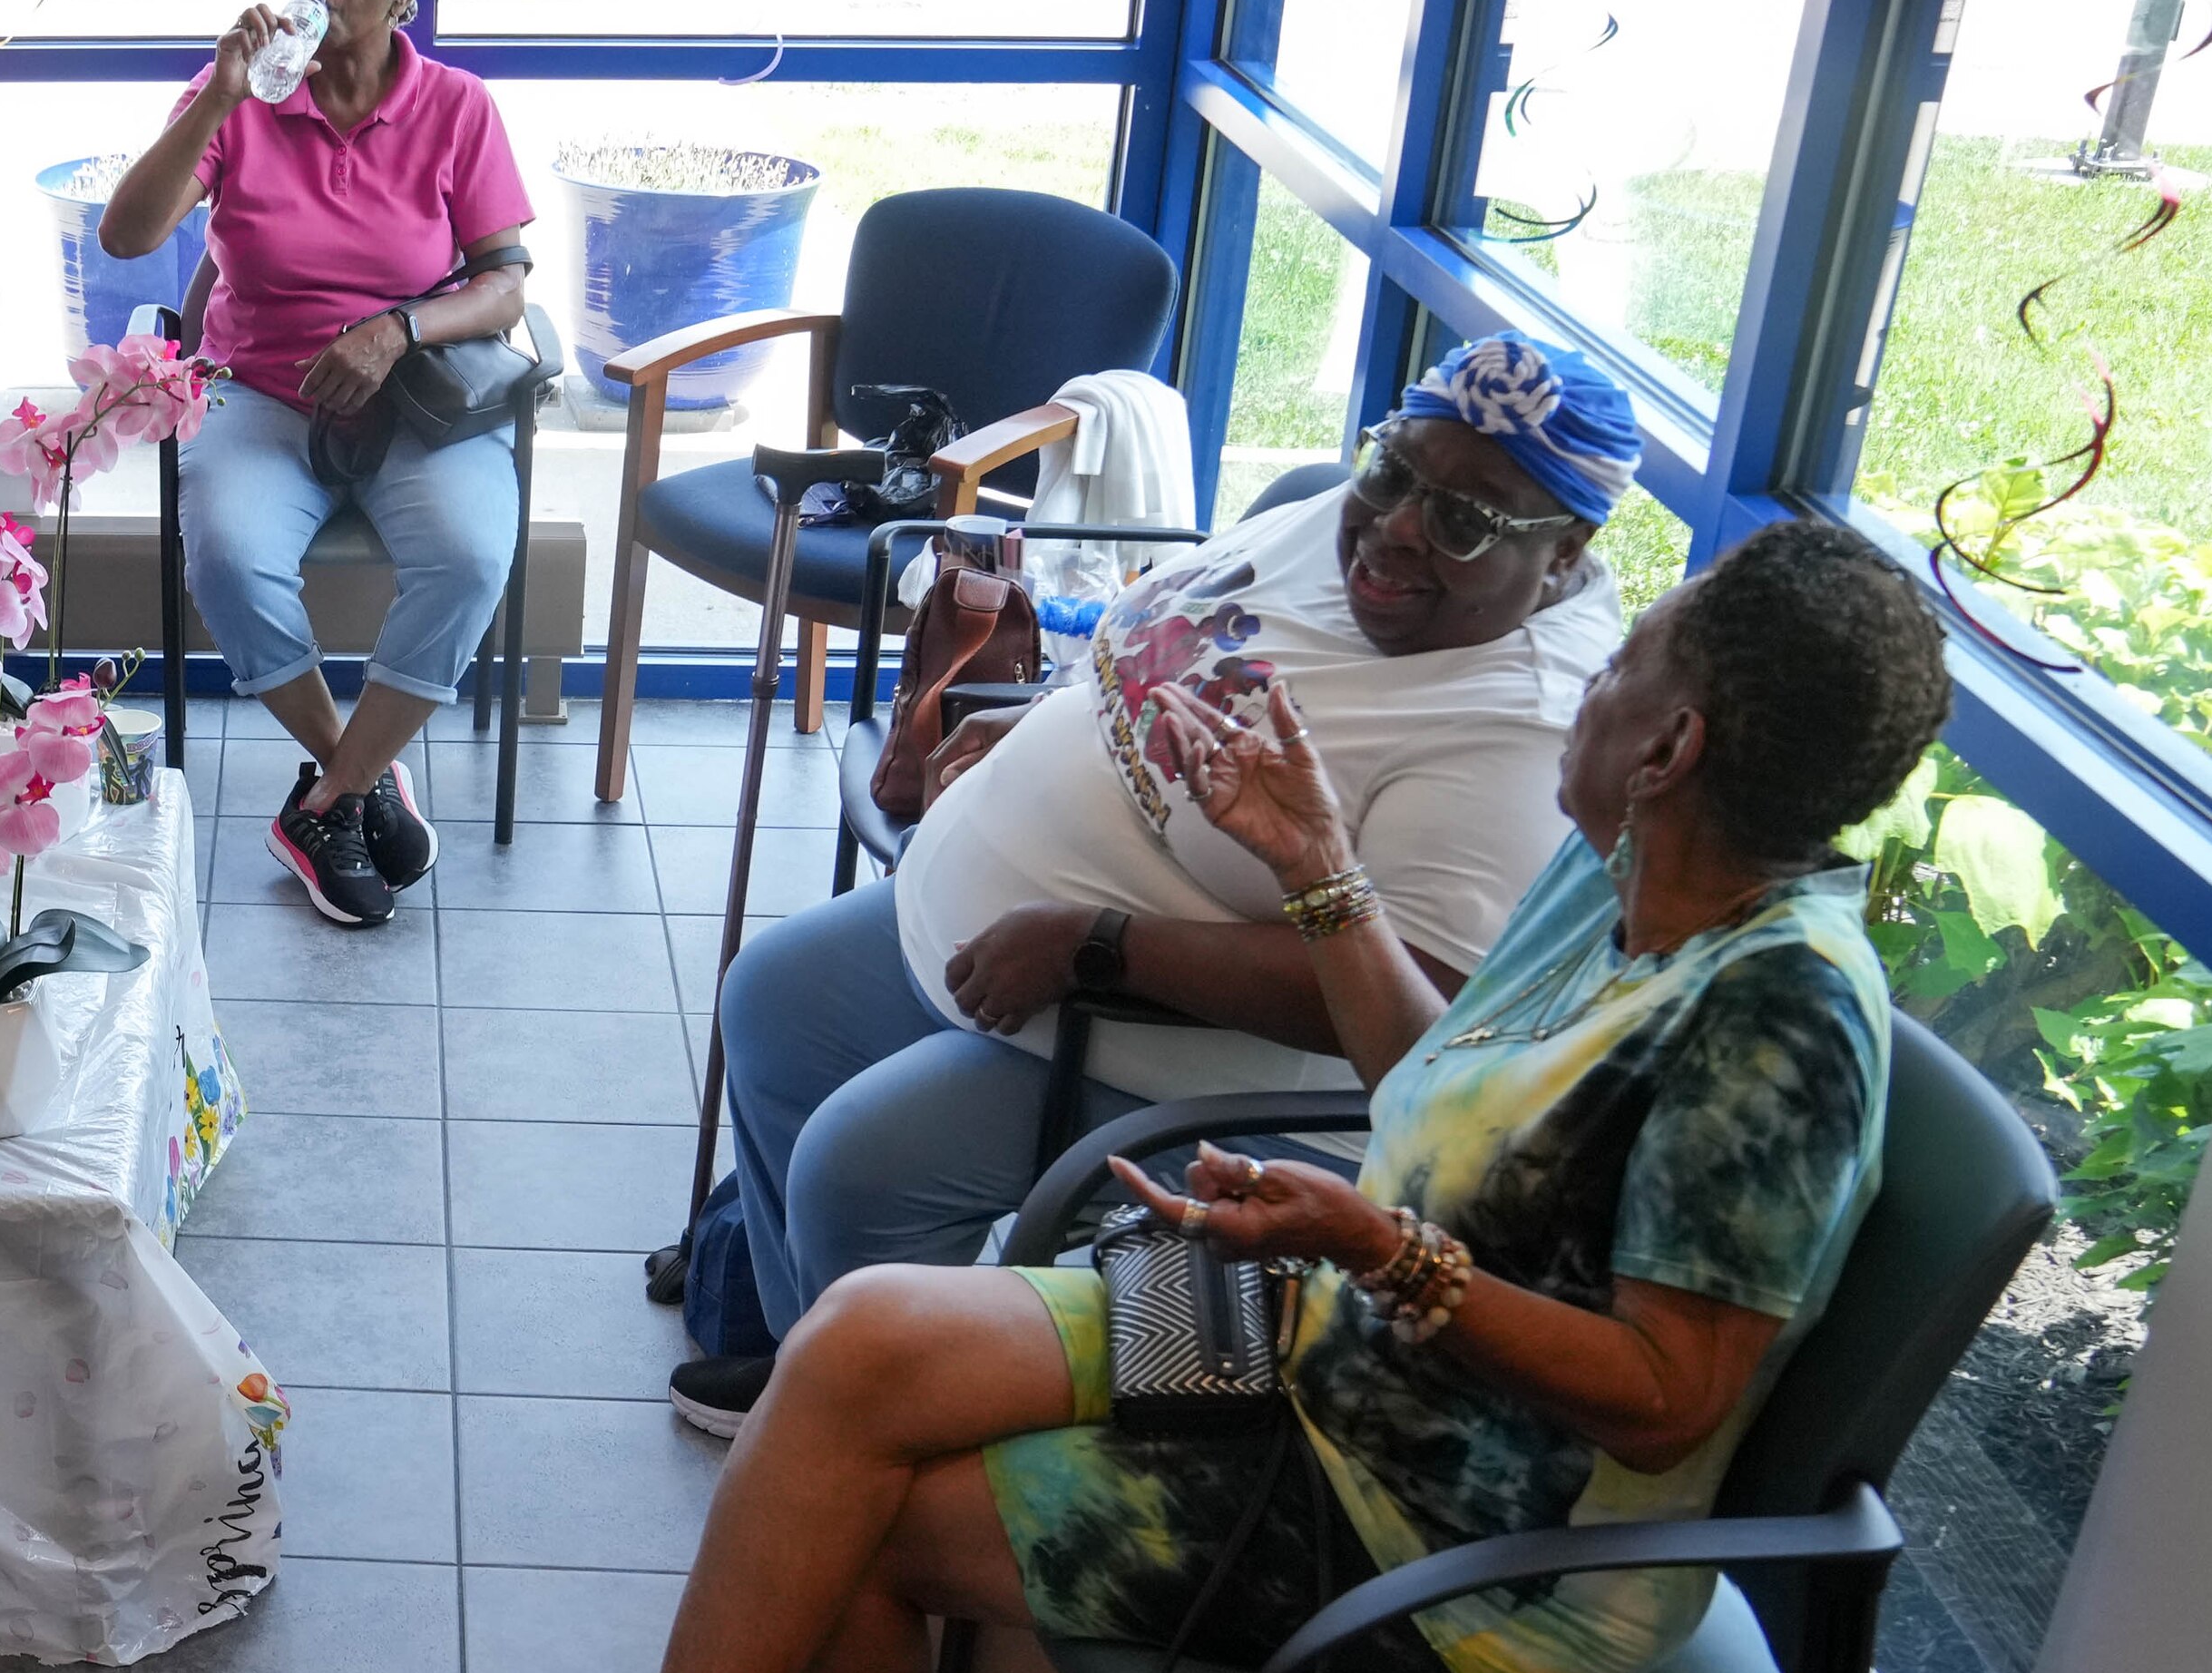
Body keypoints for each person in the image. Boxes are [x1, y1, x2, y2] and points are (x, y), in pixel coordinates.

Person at [392, 520, 1946, 1673]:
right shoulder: (1614, 871)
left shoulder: (1782, 1019)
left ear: (1674, 744)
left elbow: (1669, 1391)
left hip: (1459, 1536)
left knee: (853, 1511)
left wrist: (1377, 1244)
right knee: (861, 1339)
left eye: (1621, 667)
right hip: (1327, 1340)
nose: (1591, 687)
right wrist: (1320, 871)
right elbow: (1441, 1090)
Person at [676, 333, 1648, 1437]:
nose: (1396, 528)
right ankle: (812, 1361)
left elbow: (1409, 1001)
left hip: (1158, 1043)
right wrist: (1045, 707)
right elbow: (1173, 637)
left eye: (1466, 519)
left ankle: (870, 1462)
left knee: (862, 1170)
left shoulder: (1516, 726)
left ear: (1565, 550)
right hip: (1028, 959)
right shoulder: (1339, 538)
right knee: (771, 1001)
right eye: (1392, 471)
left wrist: (1099, 942)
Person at [96, 0, 533, 929]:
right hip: (259, 388)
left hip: (411, 398)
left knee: (471, 555)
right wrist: (217, 97)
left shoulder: (455, 107)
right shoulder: (238, 94)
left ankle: (324, 804)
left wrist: (395, 330)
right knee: (231, 557)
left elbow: (506, 284)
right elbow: (123, 235)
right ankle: (354, 778)